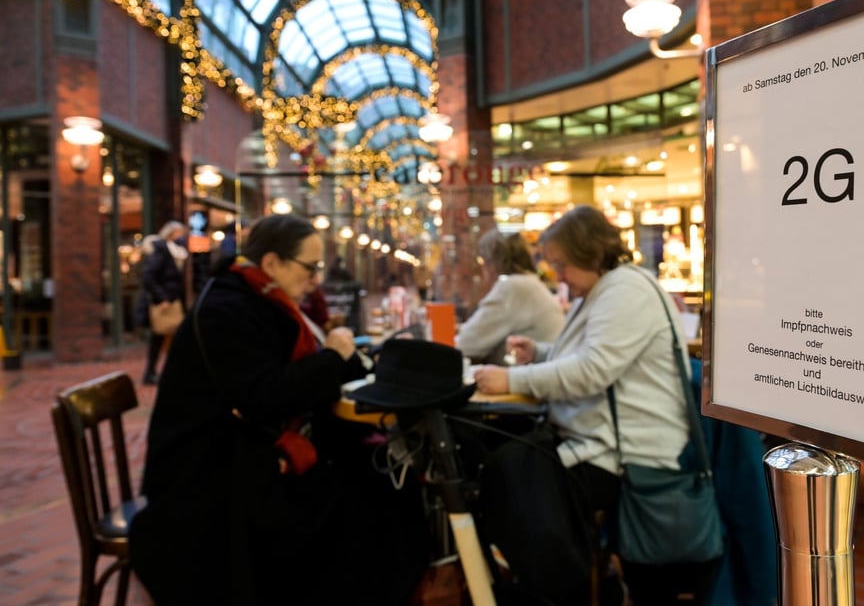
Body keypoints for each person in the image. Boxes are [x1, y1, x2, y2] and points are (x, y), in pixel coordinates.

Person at [129, 214, 430, 606]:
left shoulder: (255, 297)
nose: (317, 279)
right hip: (210, 477)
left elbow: (284, 382)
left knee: (379, 475)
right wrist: (334, 360)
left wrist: (346, 361)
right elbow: (266, 395)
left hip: (246, 452)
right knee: (368, 501)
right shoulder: (228, 308)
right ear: (272, 264)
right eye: (310, 267)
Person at [473, 205, 713, 605]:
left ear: (589, 252)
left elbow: (593, 370)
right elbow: (589, 357)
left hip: (632, 452)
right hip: (601, 441)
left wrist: (512, 378)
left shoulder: (625, 291)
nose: (559, 277)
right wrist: (540, 352)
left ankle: (566, 587)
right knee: (509, 465)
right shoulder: (605, 289)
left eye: (561, 265)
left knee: (514, 474)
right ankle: (567, 583)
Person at [456, 229, 565, 365]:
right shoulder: (527, 282)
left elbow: (467, 343)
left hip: (530, 379)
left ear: (492, 262)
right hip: (542, 372)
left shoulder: (513, 286)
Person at [137, 220, 188, 385]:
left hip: (174, 300)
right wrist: (162, 297)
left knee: (172, 338)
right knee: (159, 338)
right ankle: (151, 373)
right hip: (165, 303)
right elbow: (148, 276)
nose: (181, 237)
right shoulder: (161, 251)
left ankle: (170, 371)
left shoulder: (177, 251)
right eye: (178, 233)